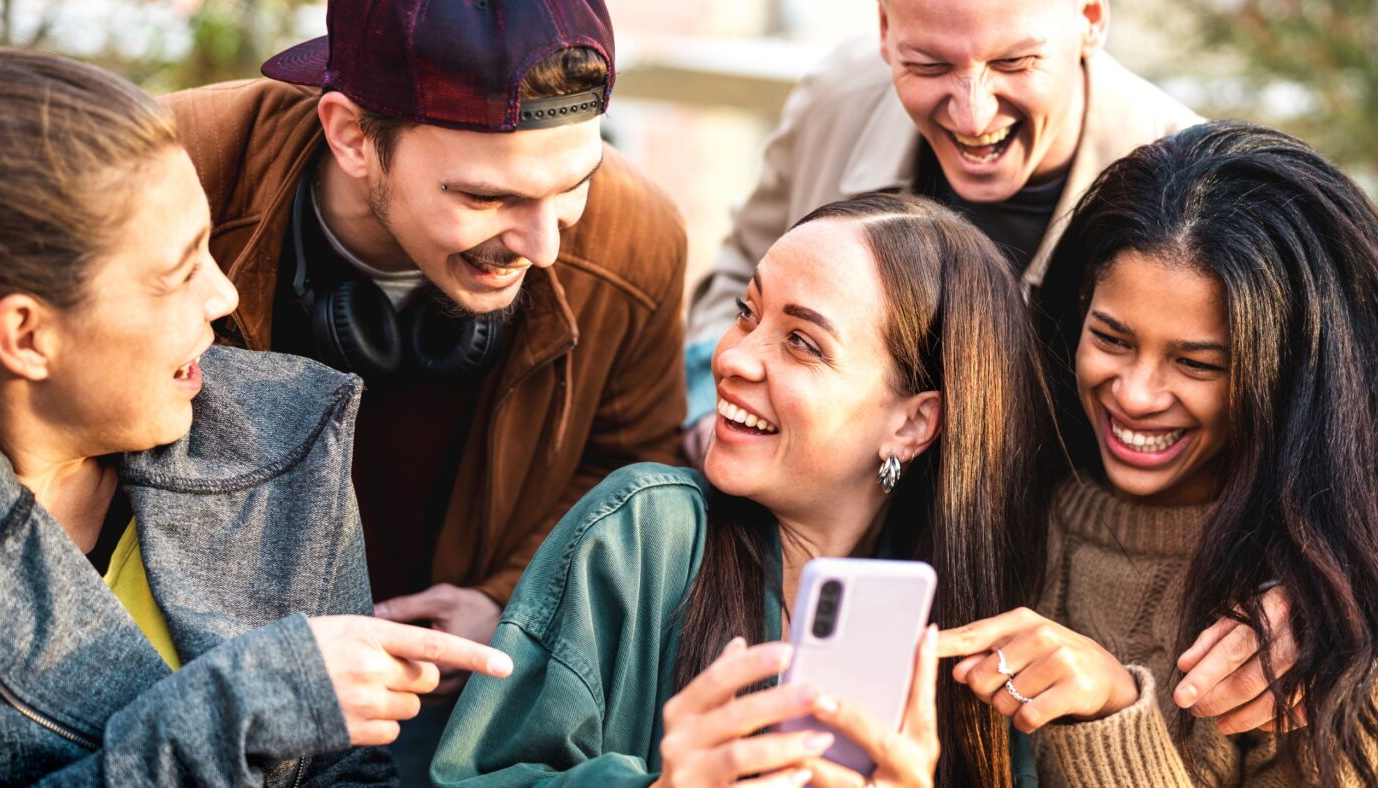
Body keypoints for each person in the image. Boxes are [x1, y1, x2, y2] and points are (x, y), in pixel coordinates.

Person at [0, 50, 513, 785]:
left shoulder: (289, 436)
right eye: (178, 273)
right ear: (27, 337)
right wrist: (241, 706)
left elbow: (354, 776)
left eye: (211, 246)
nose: (225, 297)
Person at [432, 193, 1052, 787]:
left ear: (912, 424)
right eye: (746, 313)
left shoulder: (972, 643)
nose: (731, 359)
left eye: (802, 343)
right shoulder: (644, 535)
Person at [161, 0, 686, 665]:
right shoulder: (167, 177)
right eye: (486, 197)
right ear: (352, 137)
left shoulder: (636, 239)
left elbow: (629, 471)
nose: (546, 246)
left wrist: (512, 602)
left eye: (576, 184)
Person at [940, 121, 1378, 786]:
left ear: (1289, 379)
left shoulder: (1320, 631)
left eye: (1198, 363)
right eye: (1112, 339)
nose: (1137, 396)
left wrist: (1113, 719)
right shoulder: (987, 490)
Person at [682, 0, 1201, 463]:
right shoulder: (836, 97)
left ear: (1091, 18)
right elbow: (740, 272)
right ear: (884, 28)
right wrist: (715, 406)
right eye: (929, 65)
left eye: (1014, 63)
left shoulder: (1198, 184)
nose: (973, 116)